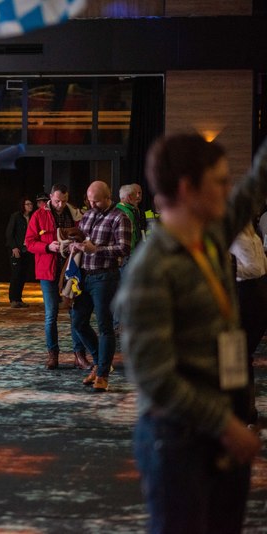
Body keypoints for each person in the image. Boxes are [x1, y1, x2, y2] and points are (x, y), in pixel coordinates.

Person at [115, 133, 266, 533]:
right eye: (219, 181)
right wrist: (226, 425)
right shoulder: (151, 269)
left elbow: (256, 186)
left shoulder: (209, 239)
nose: (228, 190)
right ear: (187, 188)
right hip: (178, 440)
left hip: (222, 427)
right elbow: (154, 377)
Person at [70, 181, 131, 392]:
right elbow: (82, 239)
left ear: (107, 198)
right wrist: (73, 245)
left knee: (105, 327)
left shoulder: (120, 217)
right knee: (78, 323)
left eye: (96, 201)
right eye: (89, 200)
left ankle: (103, 374)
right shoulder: (88, 215)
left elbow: (124, 248)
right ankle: (99, 363)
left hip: (106, 277)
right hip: (84, 276)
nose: (92, 204)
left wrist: (96, 249)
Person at [24, 183, 91, 370]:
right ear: (51, 197)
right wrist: (47, 247)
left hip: (72, 269)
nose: (60, 205)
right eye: (56, 201)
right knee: (51, 315)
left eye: (63, 201)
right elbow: (29, 243)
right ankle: (53, 355)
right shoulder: (39, 215)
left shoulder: (75, 214)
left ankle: (79, 355)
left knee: (75, 313)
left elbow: (85, 236)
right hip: (48, 271)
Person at [230, 222, 267, 424]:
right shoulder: (253, 236)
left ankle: (243, 413)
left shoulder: (239, 236)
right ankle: (247, 412)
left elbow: (256, 268)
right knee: (242, 357)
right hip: (256, 295)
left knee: (238, 356)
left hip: (247, 297)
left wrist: (228, 270)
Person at [6, 197, 34, 308]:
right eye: (28, 204)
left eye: (31, 204)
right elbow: (9, 233)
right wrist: (13, 247)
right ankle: (13, 299)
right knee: (16, 274)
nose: (30, 206)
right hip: (16, 249)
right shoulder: (16, 216)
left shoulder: (32, 217)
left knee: (23, 274)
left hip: (27, 249)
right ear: (23, 205)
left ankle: (19, 299)